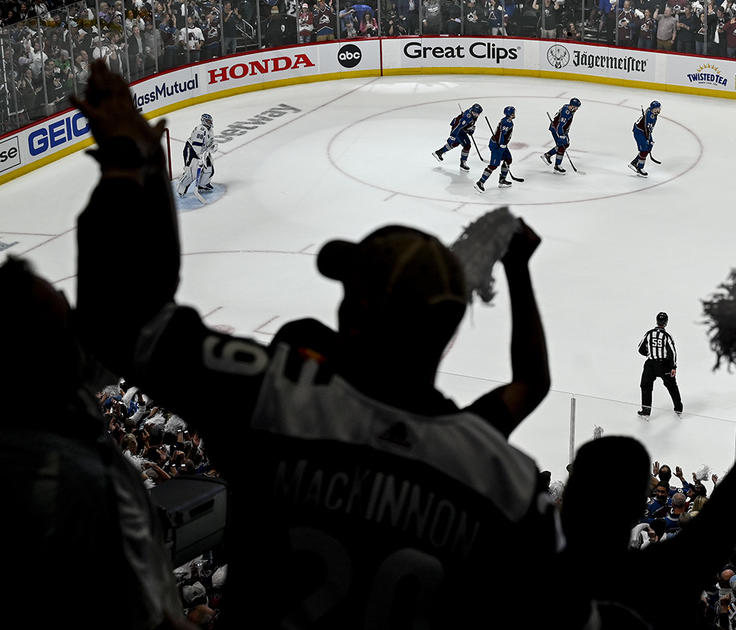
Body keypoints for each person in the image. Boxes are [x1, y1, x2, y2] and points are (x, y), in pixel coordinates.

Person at [71, 60, 576, 629]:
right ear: (451, 329)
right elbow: (531, 386)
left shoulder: (277, 398)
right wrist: (518, 268)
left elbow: (122, 322)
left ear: (354, 312)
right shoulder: (491, 466)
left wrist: (128, 162)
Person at [562, 315, 736, 629]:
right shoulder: (664, 574)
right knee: (654, 384)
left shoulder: (521, 557)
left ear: (569, 499)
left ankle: (672, 403)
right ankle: (657, 404)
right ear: (635, 508)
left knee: (666, 385)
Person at [0, 256, 184, 630]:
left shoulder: (56, 397)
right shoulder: (74, 484)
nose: (75, 323)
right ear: (37, 351)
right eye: (63, 319)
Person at [636, 310, 682, 417]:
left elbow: (640, 349)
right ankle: (678, 409)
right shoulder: (666, 336)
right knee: (672, 386)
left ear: (657, 321)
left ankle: (646, 411)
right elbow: (672, 353)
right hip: (664, 365)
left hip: (650, 364)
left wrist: (650, 353)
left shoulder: (649, 333)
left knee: (646, 386)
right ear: (666, 322)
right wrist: (673, 367)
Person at [475, 105, 516, 192]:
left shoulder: (509, 122)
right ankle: (480, 182)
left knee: (508, 159)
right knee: (493, 165)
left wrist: (504, 144)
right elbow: (500, 134)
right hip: (497, 146)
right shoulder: (506, 122)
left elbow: (504, 135)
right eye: (513, 113)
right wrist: (501, 144)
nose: (514, 114)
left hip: (502, 145)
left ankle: (502, 180)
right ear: (509, 114)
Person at [175, 112, 214, 200]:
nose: (210, 122)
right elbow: (196, 145)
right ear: (203, 121)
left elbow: (211, 142)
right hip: (192, 151)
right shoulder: (200, 130)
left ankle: (202, 185)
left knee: (209, 168)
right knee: (191, 173)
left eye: (210, 121)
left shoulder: (210, 130)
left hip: (202, 152)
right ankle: (180, 190)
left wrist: (212, 146)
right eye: (208, 121)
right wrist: (199, 156)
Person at [432, 103, 482, 171]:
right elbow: (457, 127)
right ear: (472, 111)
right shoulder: (467, 117)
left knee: (455, 144)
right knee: (467, 145)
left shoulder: (473, 114)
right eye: (475, 113)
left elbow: (468, 125)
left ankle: (439, 152)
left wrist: (470, 129)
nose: (477, 115)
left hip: (461, 130)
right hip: (458, 131)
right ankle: (463, 163)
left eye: (478, 113)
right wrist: (452, 137)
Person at [542, 97, 580, 174]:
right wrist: (561, 135)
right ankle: (555, 164)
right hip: (557, 130)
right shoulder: (566, 113)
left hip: (561, 130)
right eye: (576, 107)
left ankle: (549, 156)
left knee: (564, 145)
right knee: (562, 146)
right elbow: (560, 126)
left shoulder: (568, 107)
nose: (577, 109)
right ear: (572, 106)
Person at [629, 99, 659, 177]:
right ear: (652, 109)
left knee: (650, 145)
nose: (658, 110)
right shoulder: (650, 116)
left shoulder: (651, 112)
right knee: (644, 150)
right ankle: (640, 167)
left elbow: (648, 128)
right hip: (639, 132)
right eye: (656, 108)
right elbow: (646, 129)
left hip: (644, 131)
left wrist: (649, 140)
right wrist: (648, 139)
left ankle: (635, 162)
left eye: (659, 108)